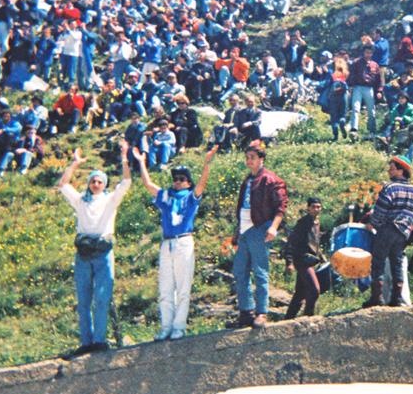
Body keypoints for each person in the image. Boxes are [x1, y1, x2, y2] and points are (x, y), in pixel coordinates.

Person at [133, 144, 219, 341]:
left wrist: (206, 163)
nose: (177, 182)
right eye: (175, 179)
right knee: (165, 287)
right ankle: (166, 327)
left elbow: (202, 185)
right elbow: (148, 185)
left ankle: (179, 327)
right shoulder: (165, 196)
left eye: (181, 179)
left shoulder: (190, 197)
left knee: (182, 287)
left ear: (188, 183)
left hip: (183, 242)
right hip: (167, 243)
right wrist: (141, 163)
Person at [57, 142, 131, 356]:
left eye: (100, 181)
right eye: (93, 181)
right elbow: (63, 185)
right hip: (83, 253)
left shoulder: (109, 200)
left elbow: (126, 182)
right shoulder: (81, 201)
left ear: (104, 184)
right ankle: (86, 341)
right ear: (89, 183)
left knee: (102, 297)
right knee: (83, 300)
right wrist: (74, 164)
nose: (96, 184)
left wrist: (124, 156)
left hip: (103, 252)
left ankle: (99, 340)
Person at [232, 140, 288, 329]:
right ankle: (246, 310)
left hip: (260, 229)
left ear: (261, 159)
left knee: (260, 271)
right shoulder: (247, 180)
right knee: (240, 271)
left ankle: (262, 312)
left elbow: (281, 207)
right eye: (247, 158)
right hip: (244, 231)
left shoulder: (271, 180)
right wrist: (236, 233)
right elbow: (240, 208)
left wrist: (273, 227)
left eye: (252, 158)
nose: (249, 161)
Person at [364, 155, 413, 308]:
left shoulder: (390, 188)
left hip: (387, 228)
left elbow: (380, 211)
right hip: (403, 232)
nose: (389, 171)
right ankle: (397, 299)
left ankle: (376, 298)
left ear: (401, 171)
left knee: (378, 262)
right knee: (397, 263)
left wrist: (372, 224)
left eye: (392, 168)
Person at [284, 197, 325, 319]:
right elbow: (291, 243)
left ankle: (288, 318)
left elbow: (315, 243)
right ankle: (308, 316)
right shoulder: (303, 223)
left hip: (311, 260)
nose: (316, 209)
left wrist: (322, 257)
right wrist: (289, 262)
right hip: (302, 260)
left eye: (318, 207)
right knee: (314, 290)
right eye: (313, 207)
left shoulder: (316, 222)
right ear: (308, 208)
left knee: (300, 293)